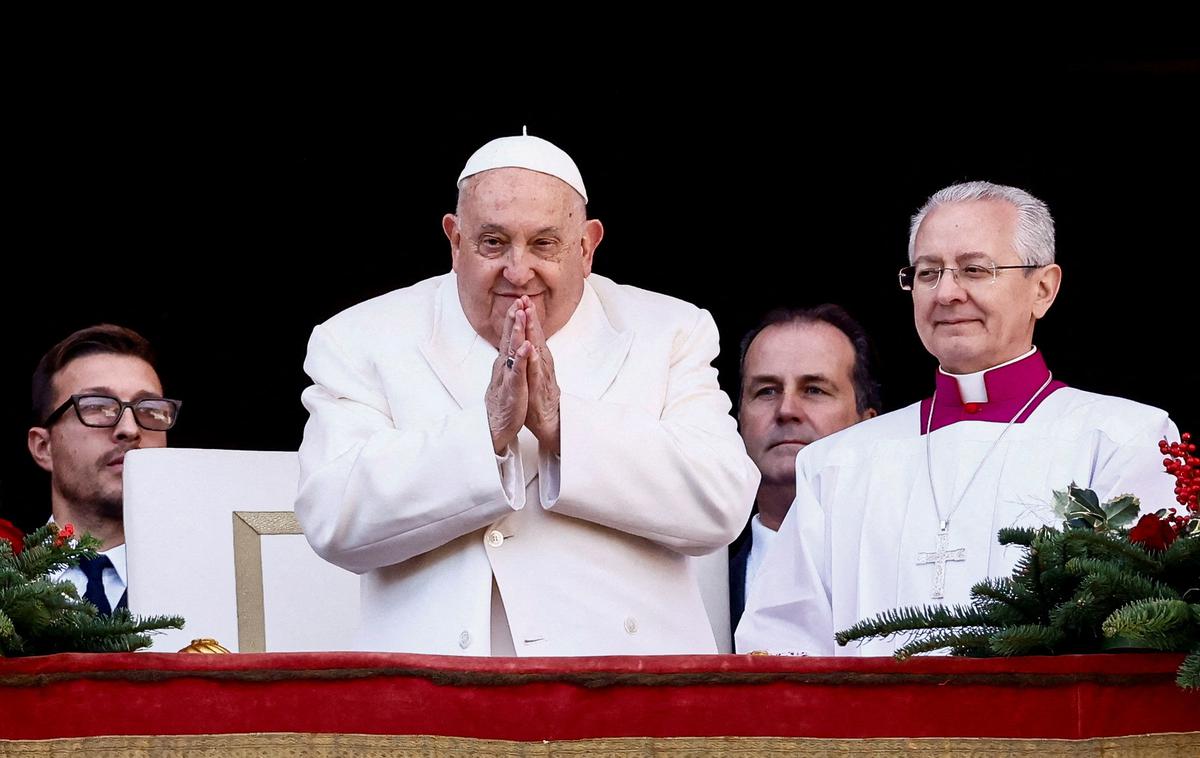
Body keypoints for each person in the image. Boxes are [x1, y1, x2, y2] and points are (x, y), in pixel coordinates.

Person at [296, 131, 759, 656]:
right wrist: (485, 435)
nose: (518, 272)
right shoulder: (363, 337)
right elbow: (332, 517)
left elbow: (722, 503)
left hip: (628, 690)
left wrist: (564, 426)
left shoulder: (669, 330)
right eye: (492, 242)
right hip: (436, 694)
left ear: (587, 247)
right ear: (454, 240)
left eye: (545, 244)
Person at [736, 181, 1180, 656]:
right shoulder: (837, 463)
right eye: (928, 273)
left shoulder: (1123, 440)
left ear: (1043, 289)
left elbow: (1141, 636)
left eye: (974, 269)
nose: (946, 293)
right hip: (872, 731)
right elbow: (782, 645)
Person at [729, 305, 880, 631]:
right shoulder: (693, 586)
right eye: (766, 391)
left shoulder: (901, 568)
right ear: (739, 422)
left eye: (814, 390)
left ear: (868, 426)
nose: (786, 410)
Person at [26, 324, 180, 616]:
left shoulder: (217, 585)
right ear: (43, 447)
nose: (130, 429)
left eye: (149, 409)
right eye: (98, 406)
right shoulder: (9, 587)